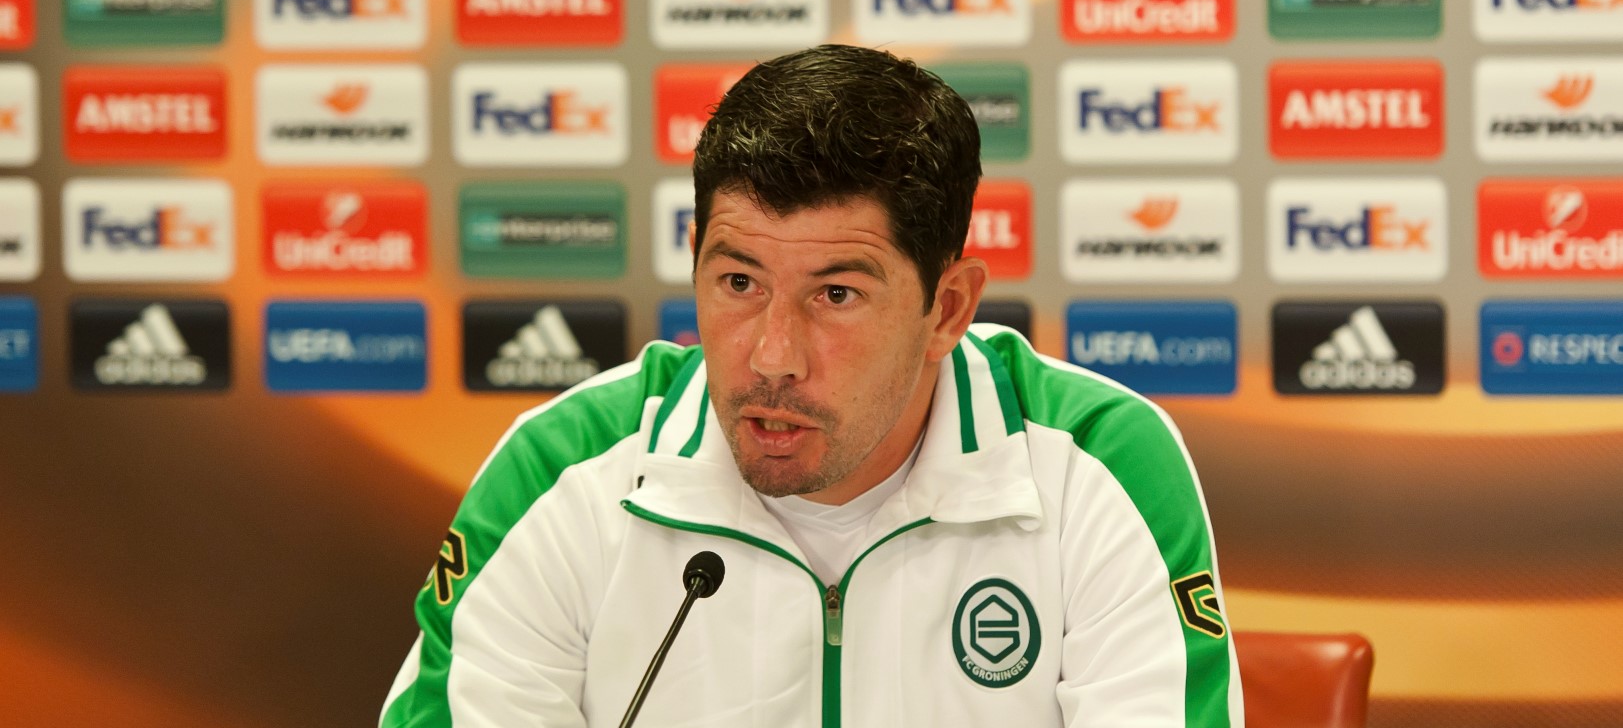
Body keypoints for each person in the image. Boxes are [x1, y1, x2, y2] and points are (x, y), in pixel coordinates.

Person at [379, 44, 1243, 727]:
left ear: (946, 308)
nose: (771, 356)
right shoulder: (564, 470)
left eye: (836, 295)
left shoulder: (1094, 463)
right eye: (738, 283)